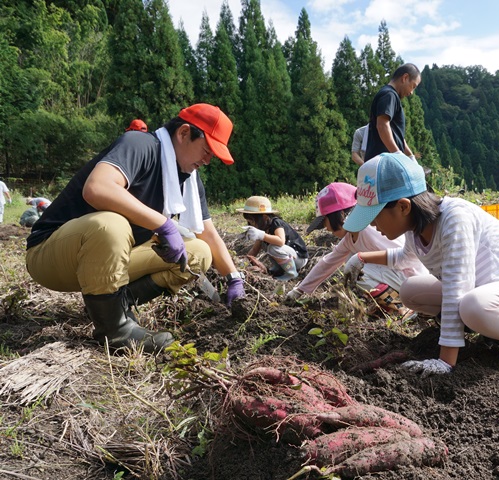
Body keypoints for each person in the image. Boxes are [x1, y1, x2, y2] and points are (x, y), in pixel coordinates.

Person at [26, 103, 246, 354]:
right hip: (52, 255)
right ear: (184, 133)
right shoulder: (140, 145)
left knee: (199, 253)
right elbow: (98, 188)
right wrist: (163, 223)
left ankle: (112, 305)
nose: (207, 160)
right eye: (206, 150)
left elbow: (207, 232)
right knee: (111, 224)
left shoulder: (189, 180)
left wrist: (233, 278)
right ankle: (115, 330)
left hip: (105, 263)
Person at [342, 152, 499, 394]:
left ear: (403, 206)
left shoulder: (454, 219)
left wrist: (445, 362)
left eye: (375, 216)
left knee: (472, 306)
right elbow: (403, 257)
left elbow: (456, 289)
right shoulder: (415, 226)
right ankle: (490, 330)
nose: (372, 225)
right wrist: (361, 258)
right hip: (490, 291)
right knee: (411, 291)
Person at [286, 182, 425, 321]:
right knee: (352, 261)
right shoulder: (349, 238)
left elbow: (407, 257)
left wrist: (361, 258)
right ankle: (390, 305)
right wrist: (299, 290)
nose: (326, 228)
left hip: (412, 278)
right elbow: (327, 263)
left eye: (325, 222)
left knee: (357, 267)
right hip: (398, 277)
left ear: (340, 214)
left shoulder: (369, 229)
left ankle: (401, 307)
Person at [237, 196, 308, 281]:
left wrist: (262, 235)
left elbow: (281, 241)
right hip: (288, 256)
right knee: (265, 244)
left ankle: (291, 273)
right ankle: (279, 268)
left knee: (273, 247)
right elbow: (255, 249)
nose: (251, 224)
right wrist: (243, 264)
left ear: (265, 217)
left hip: (298, 258)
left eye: (252, 221)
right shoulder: (263, 229)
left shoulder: (276, 223)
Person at [364, 63, 421, 162]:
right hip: (383, 164)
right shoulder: (389, 95)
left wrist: (410, 156)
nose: (412, 92)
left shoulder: (391, 96)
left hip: (387, 162)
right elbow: (382, 125)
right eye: (413, 86)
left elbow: (397, 135)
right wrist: (397, 154)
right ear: (405, 78)